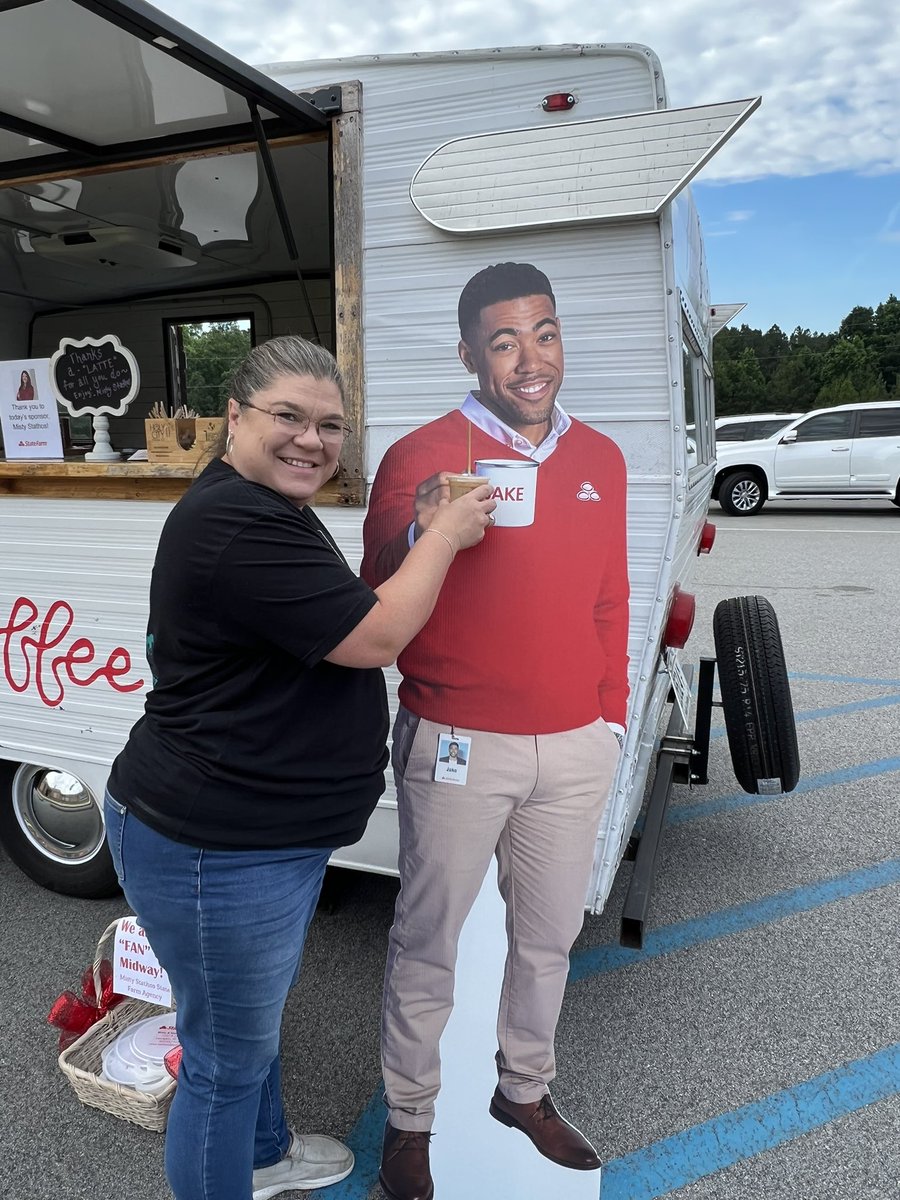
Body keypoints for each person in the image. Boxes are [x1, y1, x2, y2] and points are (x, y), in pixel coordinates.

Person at [104, 335, 494, 1200]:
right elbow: (378, 636)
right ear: (234, 417)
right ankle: (237, 1161)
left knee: (247, 1027)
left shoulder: (266, 506)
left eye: (330, 426)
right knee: (222, 1065)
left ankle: (266, 1155)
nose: (310, 440)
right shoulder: (235, 520)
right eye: (288, 416)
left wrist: (420, 534)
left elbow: (341, 611)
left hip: (248, 835)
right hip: (216, 843)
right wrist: (450, 537)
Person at [361, 262, 630, 1200]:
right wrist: (421, 530)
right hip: (458, 739)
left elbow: (609, 598)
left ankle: (523, 1092)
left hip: (574, 745)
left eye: (544, 333)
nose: (529, 359)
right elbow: (373, 593)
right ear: (469, 351)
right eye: (505, 340)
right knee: (427, 939)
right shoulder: (421, 455)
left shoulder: (601, 458)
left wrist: (612, 716)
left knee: (548, 939)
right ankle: (409, 1121)